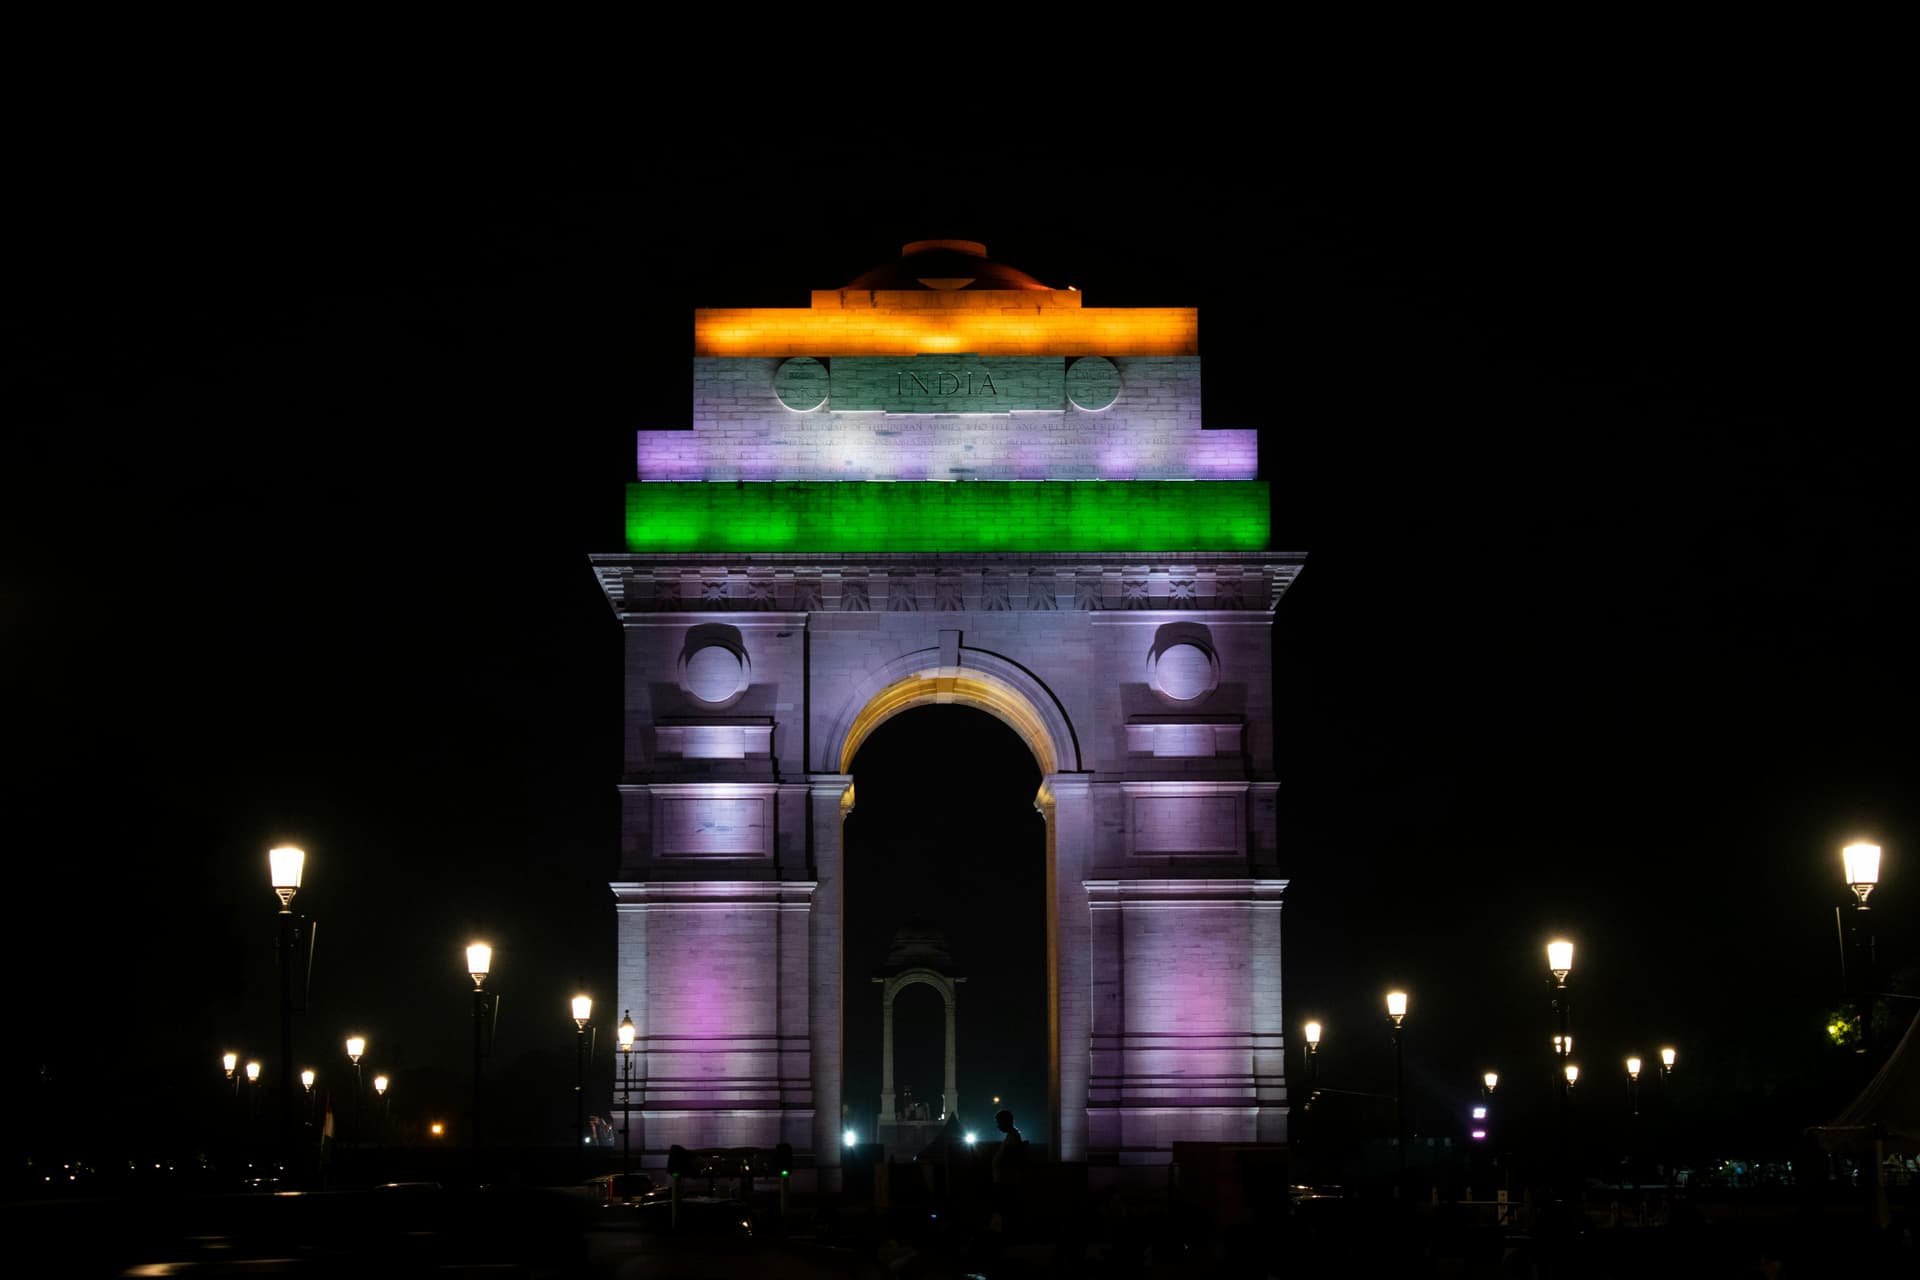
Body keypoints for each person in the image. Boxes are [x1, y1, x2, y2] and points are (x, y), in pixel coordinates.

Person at [990, 1109, 1025, 1237]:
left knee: (1004, 1213)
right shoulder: (1012, 1137)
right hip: (1005, 1182)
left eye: (999, 1122)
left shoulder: (1012, 1139)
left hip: (1005, 1183)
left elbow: (1008, 1161)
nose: (998, 1126)